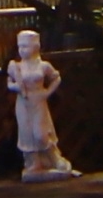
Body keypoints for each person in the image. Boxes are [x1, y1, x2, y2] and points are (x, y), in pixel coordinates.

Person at [7, 29, 77, 182]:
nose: (22, 50)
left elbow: (56, 78)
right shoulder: (17, 67)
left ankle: (54, 157)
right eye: (20, 46)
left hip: (39, 101)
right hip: (24, 103)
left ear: (35, 47)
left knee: (40, 133)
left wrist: (47, 92)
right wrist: (16, 87)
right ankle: (34, 163)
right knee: (27, 134)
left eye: (26, 46)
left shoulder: (44, 65)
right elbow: (9, 83)